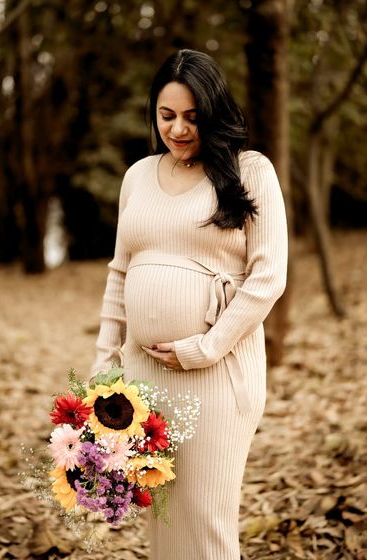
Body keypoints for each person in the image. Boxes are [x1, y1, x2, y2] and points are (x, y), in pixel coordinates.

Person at [90, 49, 288, 560]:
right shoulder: (137, 176)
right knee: (165, 519)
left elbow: (268, 277)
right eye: (166, 116)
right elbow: (119, 272)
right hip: (141, 374)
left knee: (205, 519)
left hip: (216, 373)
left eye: (192, 118)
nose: (177, 130)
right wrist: (102, 366)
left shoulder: (250, 171)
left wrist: (205, 347)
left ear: (215, 112)